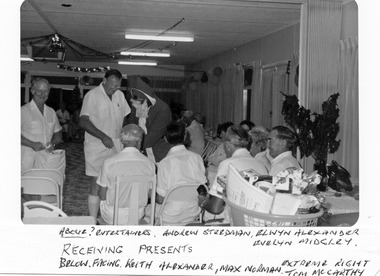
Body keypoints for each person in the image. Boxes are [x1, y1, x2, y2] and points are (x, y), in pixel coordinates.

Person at [79, 69, 131, 219]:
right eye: (112, 85)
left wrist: (126, 136)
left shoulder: (119, 95)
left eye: (117, 86)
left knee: (113, 181)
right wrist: (102, 136)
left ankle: (108, 215)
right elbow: (83, 120)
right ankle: (92, 219)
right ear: (104, 80)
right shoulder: (92, 95)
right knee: (96, 182)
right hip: (97, 145)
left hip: (116, 145)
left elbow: (125, 117)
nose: (114, 89)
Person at [199, 125, 268, 222]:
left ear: (227, 145)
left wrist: (203, 202)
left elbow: (215, 208)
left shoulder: (227, 164)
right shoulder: (261, 165)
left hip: (234, 222)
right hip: (255, 221)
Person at [97, 124, 156, 225]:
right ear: (140, 141)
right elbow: (151, 193)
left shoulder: (109, 162)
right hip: (137, 214)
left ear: (122, 141)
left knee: (102, 198)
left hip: (112, 215)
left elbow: (102, 195)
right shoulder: (150, 164)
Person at [155, 122, 207, 224]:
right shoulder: (197, 158)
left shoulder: (164, 163)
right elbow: (203, 188)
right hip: (193, 212)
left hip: (169, 215)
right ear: (185, 136)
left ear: (165, 139)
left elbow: (160, 199)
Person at [21, 77, 62, 173]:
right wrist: (31, 144)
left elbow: (58, 134)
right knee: (26, 186)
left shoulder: (51, 112)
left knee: (45, 185)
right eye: (39, 91)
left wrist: (53, 143)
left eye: (46, 91)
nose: (43, 94)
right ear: (32, 91)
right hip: (27, 160)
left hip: (46, 160)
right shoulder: (23, 111)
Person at [126, 77, 172, 162]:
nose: (132, 100)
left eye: (136, 97)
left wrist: (132, 147)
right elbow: (131, 126)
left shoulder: (162, 109)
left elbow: (155, 134)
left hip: (158, 150)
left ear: (146, 98)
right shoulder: (137, 105)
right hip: (138, 149)